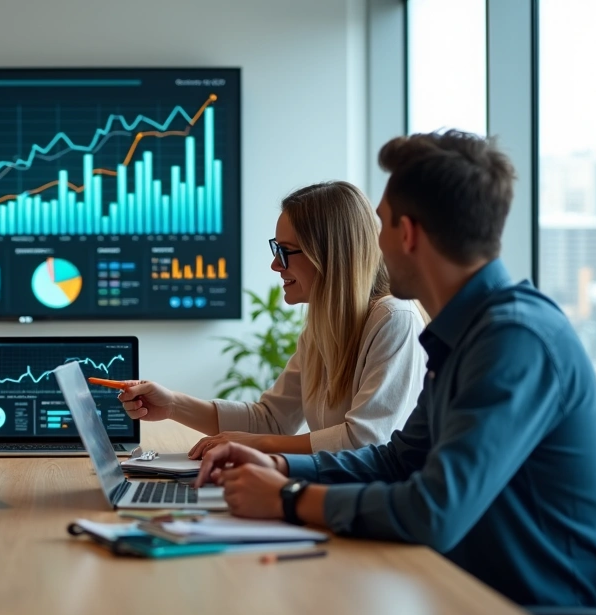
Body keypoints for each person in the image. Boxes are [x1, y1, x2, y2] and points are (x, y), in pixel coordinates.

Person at [194, 130, 596, 615]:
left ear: (409, 233)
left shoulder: (513, 342)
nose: (372, 243)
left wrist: (289, 499)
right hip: (468, 594)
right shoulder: (467, 335)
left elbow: (434, 511)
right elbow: (400, 459)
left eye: (380, 223)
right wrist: (283, 466)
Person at [120, 181, 426, 457]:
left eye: (285, 251)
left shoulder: (394, 319)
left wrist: (252, 443)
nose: (274, 265)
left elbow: (365, 440)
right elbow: (272, 420)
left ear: (329, 254)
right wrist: (172, 404)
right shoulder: (323, 327)